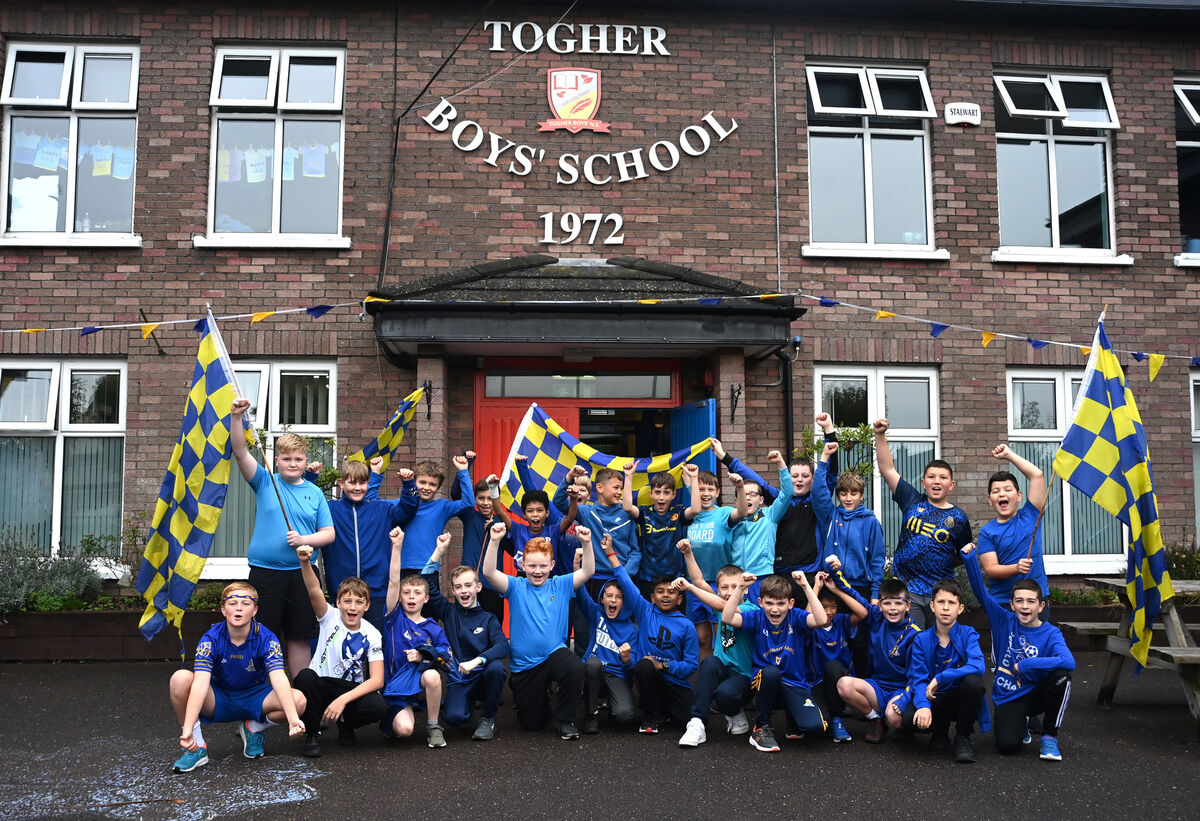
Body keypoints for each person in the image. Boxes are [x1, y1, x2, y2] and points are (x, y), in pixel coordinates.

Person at [230, 398, 335, 675]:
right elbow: (240, 451)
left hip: (303, 573)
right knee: (264, 636)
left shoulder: (314, 494)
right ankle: (265, 695)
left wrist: (304, 540)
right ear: (276, 460)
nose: (292, 463)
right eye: (286, 458)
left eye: (298, 459)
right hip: (265, 574)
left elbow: (328, 534)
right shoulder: (265, 481)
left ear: (305, 461)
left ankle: (299, 695)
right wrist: (237, 418)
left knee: (300, 636)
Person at [167, 582, 306, 772]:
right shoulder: (211, 639)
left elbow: (279, 678)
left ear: (255, 610)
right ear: (223, 610)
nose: (239, 608)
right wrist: (188, 728)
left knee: (298, 700)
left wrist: (292, 719)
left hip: (253, 697)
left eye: (245, 603)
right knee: (180, 678)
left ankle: (253, 728)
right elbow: (200, 684)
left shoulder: (267, 638)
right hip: (218, 699)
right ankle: (196, 746)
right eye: (232, 603)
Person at [483, 521, 596, 739]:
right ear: (522, 564)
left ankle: (566, 720)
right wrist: (495, 541)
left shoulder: (561, 584)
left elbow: (588, 570)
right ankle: (533, 692)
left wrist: (587, 543)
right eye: (532, 566)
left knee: (574, 666)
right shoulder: (515, 586)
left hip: (554, 654)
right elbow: (488, 572)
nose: (538, 571)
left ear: (552, 564)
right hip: (526, 665)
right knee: (533, 724)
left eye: (543, 566)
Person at [962, 543, 1074, 761]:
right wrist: (970, 559)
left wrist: (1027, 664)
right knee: (1006, 747)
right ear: (1012, 604)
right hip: (1008, 695)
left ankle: (1049, 736)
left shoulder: (1051, 633)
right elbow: (982, 594)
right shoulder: (1003, 619)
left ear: (1041, 606)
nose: (1025, 606)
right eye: (1019, 601)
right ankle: (1020, 722)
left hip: (1035, 692)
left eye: (1031, 601)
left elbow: (1069, 661)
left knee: (1062, 678)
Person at [874, 417, 972, 629]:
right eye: (931, 477)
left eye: (943, 478)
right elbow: (887, 469)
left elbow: (961, 556)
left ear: (951, 484)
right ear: (924, 482)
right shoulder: (911, 499)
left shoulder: (959, 517)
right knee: (912, 643)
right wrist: (880, 435)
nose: (937, 481)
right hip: (907, 591)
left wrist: (939, 560)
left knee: (938, 644)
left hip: (940, 594)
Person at [291, 549, 386, 757]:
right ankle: (313, 733)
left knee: (378, 705)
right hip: (322, 683)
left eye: (359, 602)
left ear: (367, 606)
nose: (352, 607)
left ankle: (345, 723)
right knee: (304, 677)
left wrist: (343, 700)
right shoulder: (328, 616)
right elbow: (313, 588)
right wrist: (305, 562)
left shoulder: (372, 633)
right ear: (338, 603)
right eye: (347, 601)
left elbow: (378, 680)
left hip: (350, 688)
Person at [721, 571, 828, 753]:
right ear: (761, 602)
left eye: (781, 603)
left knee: (814, 727)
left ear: (790, 604)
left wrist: (805, 586)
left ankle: (792, 716)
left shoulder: (797, 617)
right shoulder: (757, 617)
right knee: (771, 673)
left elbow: (821, 619)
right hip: (766, 679)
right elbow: (727, 618)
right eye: (769, 603)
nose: (775, 609)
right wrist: (740, 586)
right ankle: (761, 728)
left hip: (794, 683)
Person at [604, 537, 699, 734]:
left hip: (675, 681)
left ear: (680, 598)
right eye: (660, 592)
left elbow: (691, 666)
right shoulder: (645, 610)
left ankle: (665, 711)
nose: (666, 595)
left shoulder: (687, 625)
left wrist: (663, 665)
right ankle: (651, 715)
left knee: (688, 721)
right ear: (652, 597)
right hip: (650, 676)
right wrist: (610, 552)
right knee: (645, 666)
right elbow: (624, 580)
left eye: (671, 592)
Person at [309, 456, 417, 631]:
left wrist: (408, 484)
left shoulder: (382, 508)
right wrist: (310, 478)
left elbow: (407, 510)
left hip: (376, 593)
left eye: (363, 483)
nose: (358, 488)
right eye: (352, 483)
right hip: (342, 592)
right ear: (341, 484)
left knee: (376, 642)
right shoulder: (330, 509)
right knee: (341, 643)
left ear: (368, 483)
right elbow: (307, 506)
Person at [424, 536, 511, 742]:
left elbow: (502, 646)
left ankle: (488, 719)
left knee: (497, 668)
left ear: (478, 587)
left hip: (481, 674)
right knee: (454, 718)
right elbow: (427, 580)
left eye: (468, 585)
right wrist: (439, 550)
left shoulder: (488, 618)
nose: (464, 591)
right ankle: (466, 703)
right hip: (459, 678)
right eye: (459, 587)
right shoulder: (448, 611)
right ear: (453, 590)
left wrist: (477, 661)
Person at [892, 579, 988, 763]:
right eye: (941, 602)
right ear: (932, 606)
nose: (945, 608)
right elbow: (918, 678)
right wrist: (924, 707)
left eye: (951, 603)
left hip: (958, 696)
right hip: (933, 696)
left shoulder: (968, 633)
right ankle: (939, 730)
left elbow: (978, 665)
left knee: (974, 683)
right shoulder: (921, 639)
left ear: (960, 609)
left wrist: (940, 678)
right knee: (909, 720)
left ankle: (963, 736)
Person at [672, 546, 757, 747]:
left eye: (736, 587)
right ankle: (697, 723)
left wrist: (691, 589)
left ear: (746, 588)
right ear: (718, 589)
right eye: (724, 588)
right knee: (709, 661)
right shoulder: (719, 599)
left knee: (724, 695)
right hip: (722, 669)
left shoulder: (750, 609)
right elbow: (700, 581)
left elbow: (723, 607)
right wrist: (688, 554)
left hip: (744, 677)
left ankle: (734, 711)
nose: (729, 592)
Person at [812, 440, 884, 676]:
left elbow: (877, 560)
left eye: (854, 493)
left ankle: (862, 696)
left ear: (862, 495)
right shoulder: (830, 515)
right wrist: (824, 459)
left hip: (859, 589)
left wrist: (874, 595)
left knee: (860, 645)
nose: (848, 498)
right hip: (832, 588)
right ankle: (833, 693)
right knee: (829, 641)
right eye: (843, 493)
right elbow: (819, 492)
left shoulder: (871, 521)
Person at [381, 529, 452, 748]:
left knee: (432, 675)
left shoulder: (433, 627)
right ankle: (394, 716)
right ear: (400, 597)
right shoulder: (393, 618)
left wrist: (425, 654)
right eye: (407, 592)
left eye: (417, 593)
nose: (412, 597)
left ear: (426, 598)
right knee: (405, 730)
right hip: (396, 686)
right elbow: (394, 580)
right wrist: (397, 546)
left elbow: (447, 657)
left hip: (421, 685)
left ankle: (433, 726)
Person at [833, 567, 921, 744]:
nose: (893, 608)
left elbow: (917, 677)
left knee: (894, 717)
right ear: (879, 605)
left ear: (908, 606)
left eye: (898, 603)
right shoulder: (876, 618)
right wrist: (834, 573)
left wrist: (903, 701)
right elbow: (854, 594)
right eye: (887, 603)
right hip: (878, 686)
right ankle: (875, 720)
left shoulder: (916, 635)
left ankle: (902, 727)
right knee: (844, 684)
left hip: (901, 689)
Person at [369, 454, 472, 599]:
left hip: (429, 571)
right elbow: (372, 503)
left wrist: (462, 471)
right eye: (422, 482)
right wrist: (375, 473)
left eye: (432, 484)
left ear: (438, 487)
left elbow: (468, 503)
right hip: (400, 569)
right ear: (414, 482)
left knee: (429, 617)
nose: (426, 488)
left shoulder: (442, 506)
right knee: (400, 617)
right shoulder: (399, 505)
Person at [683, 466, 748, 658]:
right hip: (695, 584)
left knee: (721, 635)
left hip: (718, 585)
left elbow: (742, 512)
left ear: (718, 492)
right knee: (702, 638)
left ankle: (721, 671)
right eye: (701, 489)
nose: (705, 494)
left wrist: (740, 487)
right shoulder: (688, 517)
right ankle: (705, 676)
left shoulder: (723, 514)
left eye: (710, 489)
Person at [574, 552, 639, 733]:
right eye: (609, 595)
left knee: (625, 716)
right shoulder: (596, 613)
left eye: (618, 597)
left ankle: (613, 704)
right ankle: (591, 714)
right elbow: (580, 593)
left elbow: (630, 671)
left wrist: (627, 659)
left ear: (624, 602)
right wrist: (576, 567)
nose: (613, 600)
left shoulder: (632, 629)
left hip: (616, 675)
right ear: (602, 599)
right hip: (594, 672)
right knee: (593, 664)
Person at [977, 444, 1049, 605]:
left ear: (1018, 496)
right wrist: (1016, 568)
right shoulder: (987, 532)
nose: (1002, 493)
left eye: (1007, 489)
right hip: (1003, 602)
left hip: (1036, 600)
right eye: (996, 491)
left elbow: (1037, 475)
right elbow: (991, 570)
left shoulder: (1031, 515)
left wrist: (1009, 455)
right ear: (990, 501)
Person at [454, 453, 513, 623]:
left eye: (490, 498)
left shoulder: (502, 521)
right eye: (481, 498)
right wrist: (466, 465)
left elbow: (511, 548)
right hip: (468, 584)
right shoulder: (469, 515)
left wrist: (500, 534)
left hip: (492, 585)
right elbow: (456, 493)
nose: (486, 503)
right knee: (467, 628)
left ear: (497, 499)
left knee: (493, 627)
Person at [808, 574, 867, 743]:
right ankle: (828, 717)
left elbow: (863, 612)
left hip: (841, 682)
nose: (828, 612)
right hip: (816, 683)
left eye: (832, 607)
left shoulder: (840, 621)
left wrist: (836, 590)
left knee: (833, 666)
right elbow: (805, 618)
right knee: (816, 727)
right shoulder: (812, 624)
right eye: (823, 606)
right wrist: (816, 588)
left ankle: (836, 718)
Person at [554, 465, 639, 581]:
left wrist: (625, 575)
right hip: (594, 578)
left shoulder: (627, 514)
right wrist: (569, 477)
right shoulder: (587, 513)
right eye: (616, 487)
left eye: (621, 489)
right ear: (599, 488)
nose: (619, 492)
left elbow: (636, 552)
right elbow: (559, 502)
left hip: (623, 578)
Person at [621, 462, 691, 597]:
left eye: (666, 493)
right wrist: (628, 477)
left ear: (674, 495)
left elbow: (695, 509)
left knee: (673, 616)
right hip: (648, 578)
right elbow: (628, 507)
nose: (661, 497)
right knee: (648, 616)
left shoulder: (678, 512)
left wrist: (692, 481)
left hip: (674, 578)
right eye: (657, 492)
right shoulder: (645, 513)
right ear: (650, 493)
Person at [730, 449, 794, 578]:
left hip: (762, 575)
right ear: (736, 500)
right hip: (736, 577)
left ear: (761, 499)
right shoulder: (730, 519)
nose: (748, 498)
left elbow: (787, 493)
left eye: (753, 494)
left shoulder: (770, 515)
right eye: (744, 494)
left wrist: (780, 463)